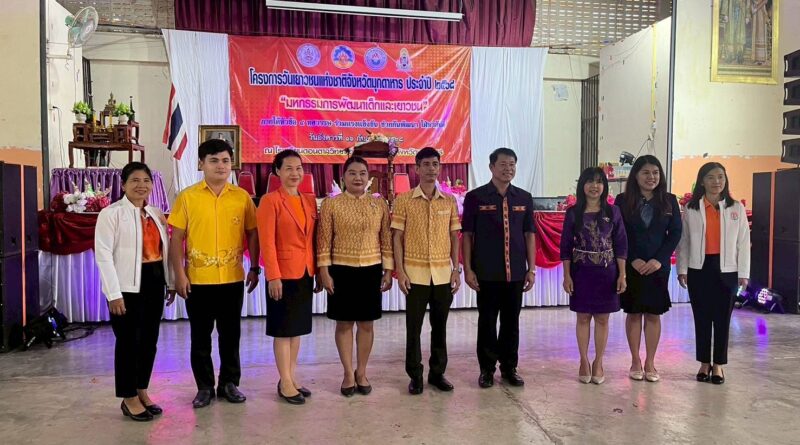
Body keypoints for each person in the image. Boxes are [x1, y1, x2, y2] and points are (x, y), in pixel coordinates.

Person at [168, 139, 260, 408]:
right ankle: (205, 387)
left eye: (225, 161)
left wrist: (254, 267)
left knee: (231, 336)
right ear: (201, 164)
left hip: (232, 278)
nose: (221, 166)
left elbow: (252, 234)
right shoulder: (187, 197)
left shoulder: (242, 197)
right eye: (214, 160)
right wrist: (179, 275)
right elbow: (177, 238)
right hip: (198, 281)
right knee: (200, 337)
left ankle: (229, 383)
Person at [95, 162, 175, 421]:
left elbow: (165, 251)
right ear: (124, 184)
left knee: (149, 342)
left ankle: (142, 389)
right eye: (135, 180)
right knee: (128, 343)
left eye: (146, 180)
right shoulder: (111, 214)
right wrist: (113, 293)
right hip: (126, 288)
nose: (141, 185)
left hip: (154, 282)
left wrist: (171, 282)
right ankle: (128, 397)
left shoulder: (155, 213)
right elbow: (104, 255)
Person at [317, 156, 394, 397]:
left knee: (366, 324)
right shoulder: (331, 204)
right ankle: (348, 373)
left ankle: (362, 372)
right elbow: (323, 239)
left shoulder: (379, 204)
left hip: (371, 270)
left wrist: (388, 270)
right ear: (343, 177)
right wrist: (324, 271)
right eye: (352, 173)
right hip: (341, 270)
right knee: (344, 323)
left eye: (362, 173)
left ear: (368, 178)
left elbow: (386, 239)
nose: (357, 178)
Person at [462, 148, 536, 389]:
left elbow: (529, 234)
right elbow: (467, 235)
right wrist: (468, 269)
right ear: (491, 167)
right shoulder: (476, 197)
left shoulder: (524, 198)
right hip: (487, 273)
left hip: (516, 272)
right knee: (487, 322)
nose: (508, 169)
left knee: (511, 323)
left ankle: (509, 368)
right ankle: (486, 369)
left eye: (512, 164)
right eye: (503, 164)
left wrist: (531, 269)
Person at [392, 147, 461, 395]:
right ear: (417, 168)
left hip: (443, 275)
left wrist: (456, 269)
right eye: (426, 164)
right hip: (415, 275)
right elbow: (397, 237)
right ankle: (415, 375)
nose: (431, 169)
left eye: (435, 164)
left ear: (439, 167)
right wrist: (400, 271)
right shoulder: (404, 200)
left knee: (440, 327)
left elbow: (454, 237)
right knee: (414, 328)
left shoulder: (449, 201)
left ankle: (437, 373)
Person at [677, 162, 750, 385]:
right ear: (702, 181)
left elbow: (743, 243)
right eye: (710, 177)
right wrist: (682, 269)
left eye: (720, 177)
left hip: (727, 269)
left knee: (722, 319)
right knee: (701, 317)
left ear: (725, 180)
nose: (716, 181)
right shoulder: (691, 209)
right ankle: (703, 363)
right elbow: (684, 241)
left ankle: (718, 364)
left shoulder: (736, 208)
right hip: (699, 268)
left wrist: (744, 272)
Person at [257, 149, 320, 405]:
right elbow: (267, 242)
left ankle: (291, 377)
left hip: (305, 271)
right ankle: (284, 382)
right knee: (283, 330)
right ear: (277, 172)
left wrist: (317, 271)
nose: (295, 173)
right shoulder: (270, 201)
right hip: (282, 275)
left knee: (297, 330)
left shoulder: (309, 201)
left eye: (299, 168)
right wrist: (273, 276)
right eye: (289, 168)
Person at [614, 155, 682, 383]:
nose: (651, 177)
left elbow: (675, 233)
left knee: (653, 314)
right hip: (631, 266)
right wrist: (632, 258)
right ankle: (635, 360)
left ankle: (650, 362)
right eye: (645, 172)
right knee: (633, 313)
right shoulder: (623, 201)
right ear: (636, 175)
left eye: (655, 172)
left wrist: (659, 260)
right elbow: (619, 232)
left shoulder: (669, 201)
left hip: (657, 267)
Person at [560, 167, 627, 384]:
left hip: (607, 272)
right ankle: (583, 360)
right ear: (582, 186)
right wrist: (567, 276)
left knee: (602, 319)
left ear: (604, 186)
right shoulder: (573, 213)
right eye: (590, 182)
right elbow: (565, 247)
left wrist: (622, 275)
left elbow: (621, 244)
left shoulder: (613, 212)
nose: (594, 186)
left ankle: (598, 361)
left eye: (599, 182)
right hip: (581, 272)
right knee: (582, 317)